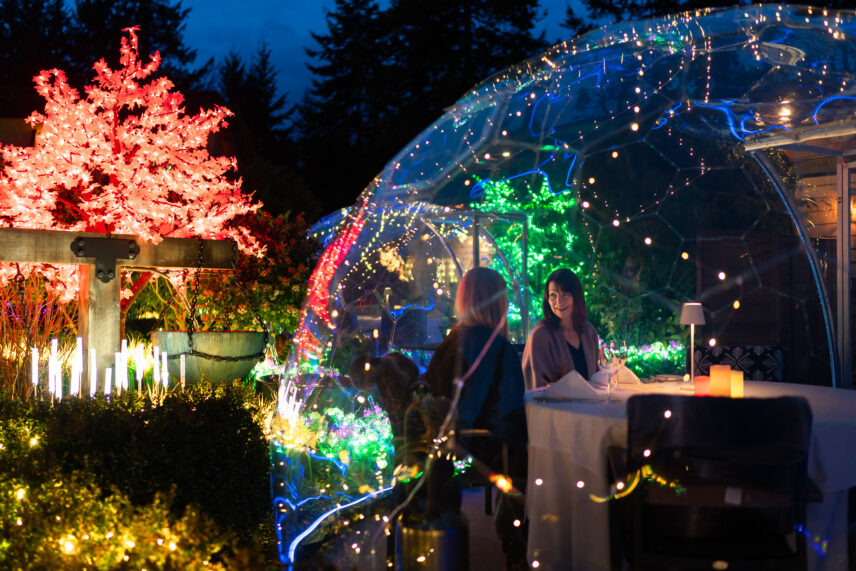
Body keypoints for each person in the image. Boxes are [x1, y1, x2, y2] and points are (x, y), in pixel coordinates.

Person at [425, 267, 528, 569]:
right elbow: (512, 410)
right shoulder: (500, 348)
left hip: (444, 446)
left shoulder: (449, 343)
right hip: (484, 448)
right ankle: (516, 539)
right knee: (530, 453)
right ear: (497, 302)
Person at [522, 268, 600, 390]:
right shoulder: (540, 336)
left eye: (565, 294)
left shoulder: (589, 331)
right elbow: (536, 389)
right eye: (553, 295)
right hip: (554, 408)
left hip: (589, 405)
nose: (559, 301)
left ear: (576, 297)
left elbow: (596, 378)